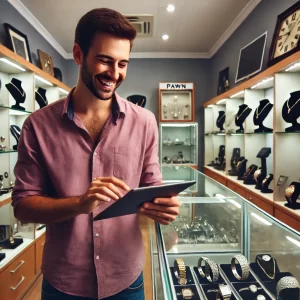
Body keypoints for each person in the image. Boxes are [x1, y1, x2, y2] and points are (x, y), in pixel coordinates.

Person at [11, 7, 180, 300]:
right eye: (105, 61)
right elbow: (23, 206)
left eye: (123, 64)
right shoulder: (37, 126)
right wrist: (79, 203)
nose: (115, 74)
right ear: (78, 54)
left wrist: (165, 205)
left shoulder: (145, 122)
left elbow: (153, 184)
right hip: (64, 282)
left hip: (126, 279)